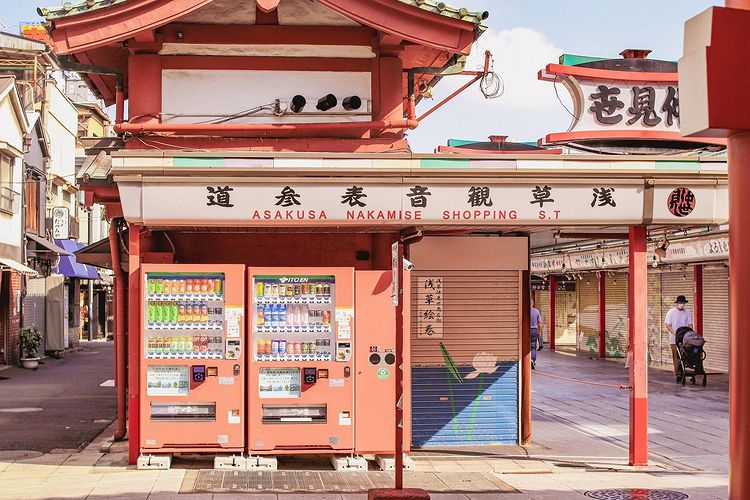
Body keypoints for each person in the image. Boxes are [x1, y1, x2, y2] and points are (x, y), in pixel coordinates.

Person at [665, 295, 694, 382]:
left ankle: (685, 371)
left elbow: (690, 324)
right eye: (680, 303)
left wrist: (691, 333)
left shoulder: (687, 312)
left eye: (683, 303)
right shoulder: (671, 312)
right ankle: (677, 373)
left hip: (685, 338)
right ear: (677, 303)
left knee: (686, 354)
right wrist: (674, 333)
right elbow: (668, 324)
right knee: (676, 356)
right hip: (674, 338)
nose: (682, 305)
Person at [530, 301, 544, 370]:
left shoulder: (524, 311)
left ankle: (526, 361)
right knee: (533, 347)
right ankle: (533, 360)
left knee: (525, 347)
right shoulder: (536, 311)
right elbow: (540, 323)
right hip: (534, 330)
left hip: (526, 331)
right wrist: (539, 332)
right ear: (532, 303)